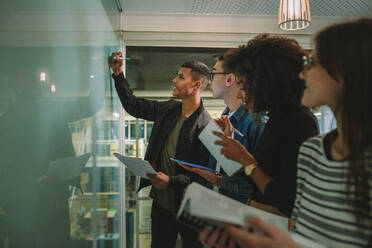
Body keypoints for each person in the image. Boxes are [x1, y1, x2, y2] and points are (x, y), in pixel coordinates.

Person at [202, 18, 372, 248]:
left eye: (312, 63)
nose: (302, 74)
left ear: (342, 72)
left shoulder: (300, 123)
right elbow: (302, 228)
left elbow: (285, 204)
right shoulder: (313, 150)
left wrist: (248, 163)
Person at [109, 52, 212, 248]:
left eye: (181, 77)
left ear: (196, 85)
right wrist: (118, 73)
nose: (174, 79)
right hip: (161, 205)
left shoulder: (206, 125)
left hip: (190, 210)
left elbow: (205, 177)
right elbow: (134, 106)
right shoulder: (169, 109)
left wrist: (171, 182)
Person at [0, 68, 105, 248]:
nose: (34, 92)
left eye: (34, 87)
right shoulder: (5, 126)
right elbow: (5, 171)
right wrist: (33, 182)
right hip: (21, 207)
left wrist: (101, 71)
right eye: (26, 86)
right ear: (14, 88)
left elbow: (91, 105)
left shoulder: (51, 112)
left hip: (53, 202)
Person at [179, 55, 265, 203]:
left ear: (229, 79)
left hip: (244, 216)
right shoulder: (225, 117)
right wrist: (212, 177)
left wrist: (220, 181)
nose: (210, 81)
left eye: (213, 74)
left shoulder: (256, 122)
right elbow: (228, 171)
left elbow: (258, 187)